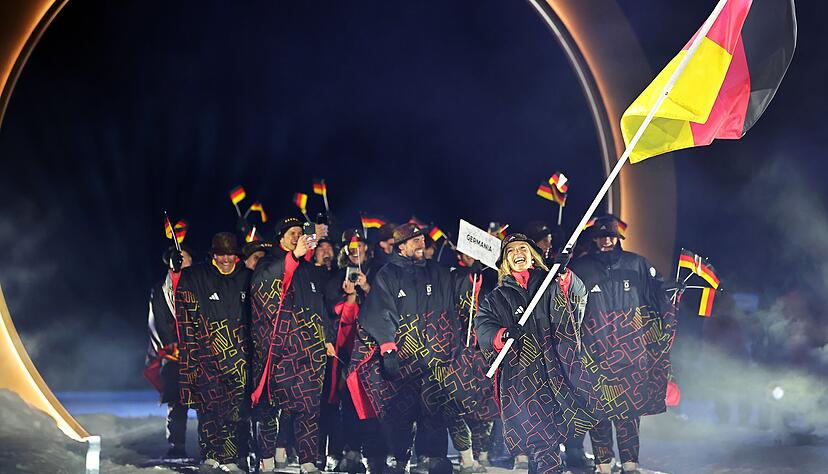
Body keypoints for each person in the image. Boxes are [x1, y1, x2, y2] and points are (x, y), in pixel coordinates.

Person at [475, 233, 597, 474]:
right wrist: (502, 335)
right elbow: (483, 326)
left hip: (556, 367)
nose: (517, 253)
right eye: (511, 251)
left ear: (533, 256)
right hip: (522, 375)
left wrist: (563, 275)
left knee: (549, 433)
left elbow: (578, 295)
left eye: (523, 248)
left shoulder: (549, 282)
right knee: (540, 436)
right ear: (505, 262)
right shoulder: (497, 297)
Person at [346, 223, 462, 473]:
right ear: (401, 247)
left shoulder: (437, 272)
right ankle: (400, 460)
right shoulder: (388, 274)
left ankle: (433, 458)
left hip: (434, 355)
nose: (421, 244)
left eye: (422, 239)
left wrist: (474, 269)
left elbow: (456, 300)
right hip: (404, 357)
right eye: (415, 241)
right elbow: (379, 311)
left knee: (433, 409)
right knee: (402, 414)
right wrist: (388, 348)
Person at [569, 215, 676, 474]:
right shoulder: (580, 269)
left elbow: (656, 294)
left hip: (631, 353)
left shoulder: (636, 264)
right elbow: (563, 304)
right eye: (601, 236)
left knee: (629, 412)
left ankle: (630, 464)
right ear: (594, 239)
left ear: (618, 238)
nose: (606, 241)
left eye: (611, 236)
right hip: (594, 353)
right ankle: (603, 464)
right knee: (599, 412)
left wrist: (672, 291)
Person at [249, 216, 331, 474]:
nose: (297, 237)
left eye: (300, 232)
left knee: (309, 409)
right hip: (280, 352)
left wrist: (327, 337)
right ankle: (267, 460)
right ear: (281, 238)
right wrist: (294, 257)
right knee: (271, 411)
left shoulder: (310, 270)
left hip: (309, 353)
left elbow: (321, 308)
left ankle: (308, 461)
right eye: (292, 233)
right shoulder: (268, 264)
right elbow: (267, 290)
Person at [175, 233, 251, 473]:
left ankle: (231, 456)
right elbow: (179, 303)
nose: (226, 259)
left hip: (239, 357)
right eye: (221, 254)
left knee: (235, 410)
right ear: (213, 254)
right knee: (208, 408)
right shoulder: (194, 276)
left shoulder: (248, 277)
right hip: (207, 355)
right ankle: (210, 455)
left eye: (230, 254)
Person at [321, 229, 384, 472]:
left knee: (373, 404)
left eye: (360, 246)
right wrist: (349, 297)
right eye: (351, 246)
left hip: (373, 351)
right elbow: (340, 319)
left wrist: (367, 288)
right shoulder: (336, 278)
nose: (356, 250)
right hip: (346, 353)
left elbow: (384, 308)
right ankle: (350, 451)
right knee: (346, 403)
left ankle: (375, 454)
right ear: (345, 250)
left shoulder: (379, 273)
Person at [442, 251, 498, 473]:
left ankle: (480, 454)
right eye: (462, 253)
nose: (468, 256)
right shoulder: (453, 277)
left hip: (484, 353)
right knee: (454, 405)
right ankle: (465, 456)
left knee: (486, 405)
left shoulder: (494, 279)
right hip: (457, 352)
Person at [145, 245, 193, 459]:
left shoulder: (201, 283)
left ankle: (213, 446)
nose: (181, 261)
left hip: (201, 351)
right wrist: (173, 344)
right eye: (177, 258)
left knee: (209, 403)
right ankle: (177, 445)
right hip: (176, 353)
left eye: (185, 257)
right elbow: (160, 319)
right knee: (177, 401)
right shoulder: (160, 289)